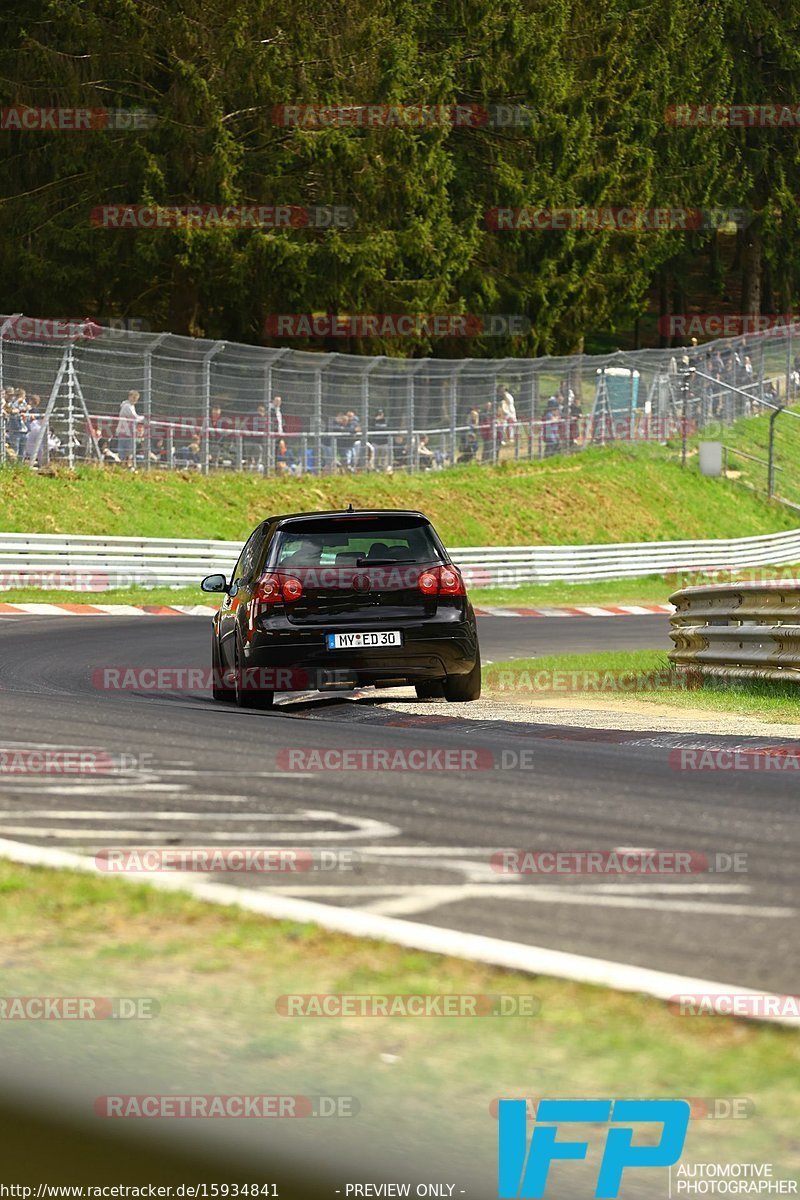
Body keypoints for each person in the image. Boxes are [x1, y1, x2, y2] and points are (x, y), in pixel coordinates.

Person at [115, 390, 143, 466]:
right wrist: (144, 418)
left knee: (130, 451)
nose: (135, 400)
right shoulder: (127, 406)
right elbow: (134, 417)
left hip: (129, 432)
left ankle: (127, 465)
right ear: (129, 397)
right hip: (125, 432)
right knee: (125, 451)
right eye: (134, 398)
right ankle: (124, 465)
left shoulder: (131, 406)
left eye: (136, 399)